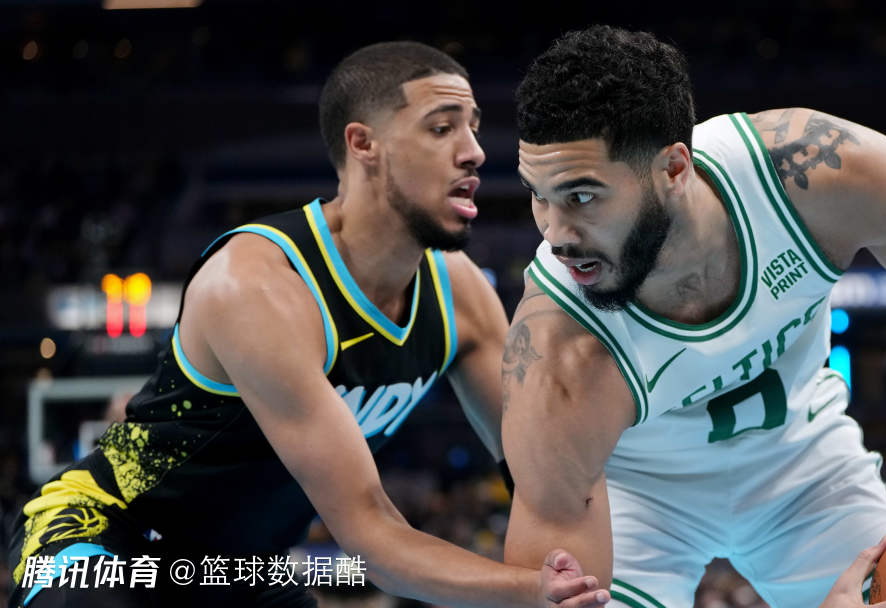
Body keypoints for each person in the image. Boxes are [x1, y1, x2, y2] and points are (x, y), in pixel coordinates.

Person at [7, 42, 608, 608]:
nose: (474, 150)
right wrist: (531, 590)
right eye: (442, 127)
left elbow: (545, 473)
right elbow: (371, 533)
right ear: (363, 144)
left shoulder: (460, 295)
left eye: (473, 126)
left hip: (237, 567)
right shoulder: (256, 284)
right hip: (98, 535)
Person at [500, 25, 886, 608]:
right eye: (538, 194)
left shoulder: (817, 175)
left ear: (674, 169)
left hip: (805, 470)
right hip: (636, 501)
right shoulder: (557, 357)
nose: (554, 233)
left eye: (581, 197)